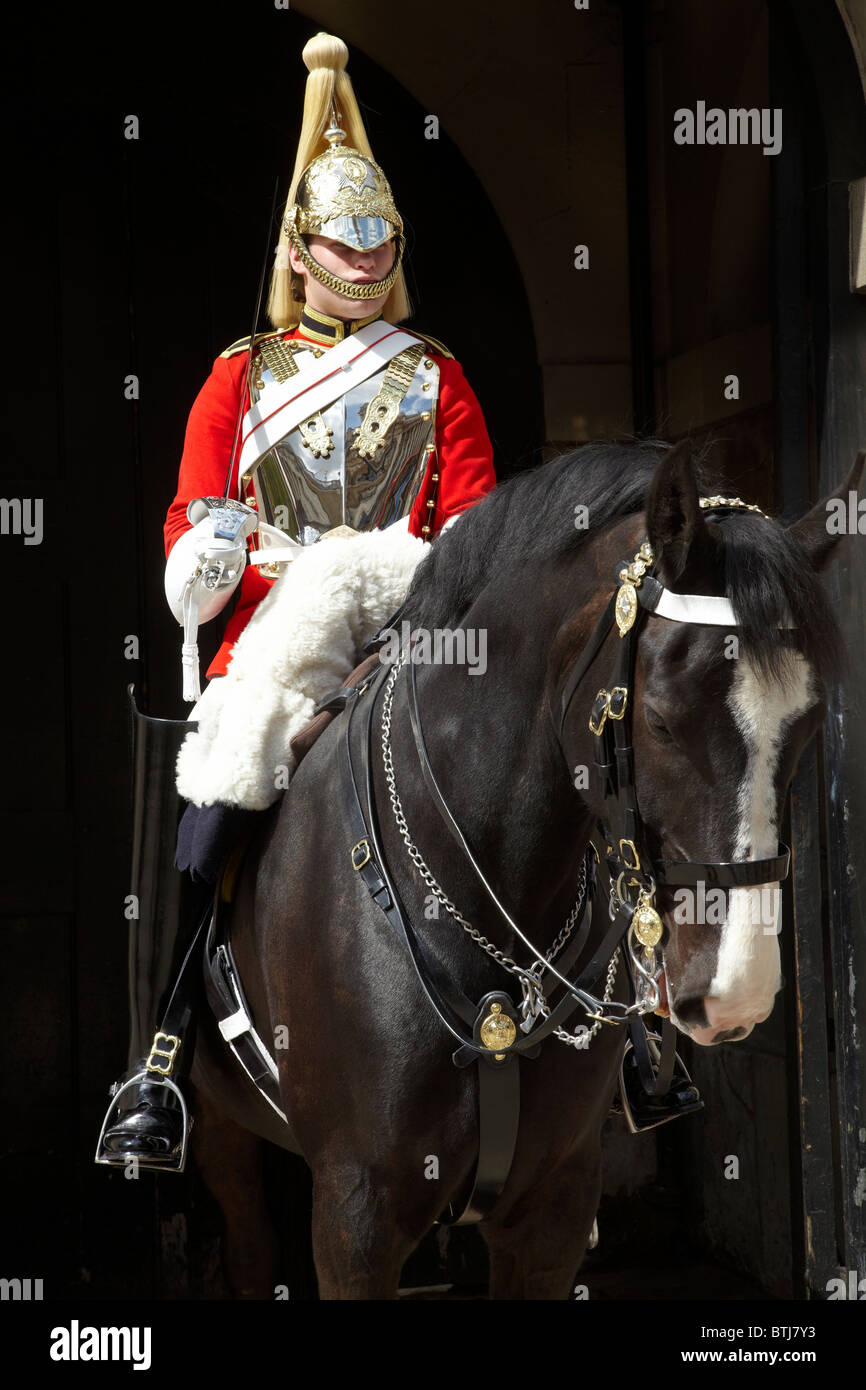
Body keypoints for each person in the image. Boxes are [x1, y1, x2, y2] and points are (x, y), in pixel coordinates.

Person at [94, 30, 496, 1170]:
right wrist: (210, 557)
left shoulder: (435, 376)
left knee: (535, 758)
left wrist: (434, 574)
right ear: (300, 251)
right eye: (342, 243)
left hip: (411, 626)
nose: (363, 261)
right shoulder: (241, 374)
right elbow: (188, 520)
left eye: (380, 243)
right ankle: (159, 1058)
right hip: (277, 639)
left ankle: (615, 1033)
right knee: (211, 802)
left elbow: (471, 515)